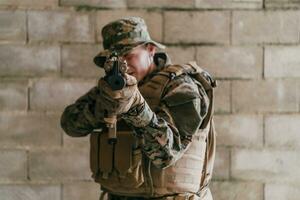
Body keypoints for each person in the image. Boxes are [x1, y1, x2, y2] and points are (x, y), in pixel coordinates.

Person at [60, 16, 217, 200]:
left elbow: (167, 153)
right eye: (113, 60)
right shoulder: (111, 90)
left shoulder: (181, 86)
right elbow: (69, 124)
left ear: (150, 50)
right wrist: (105, 106)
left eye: (127, 55)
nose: (123, 66)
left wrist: (134, 107)